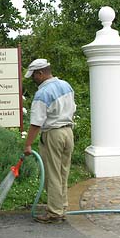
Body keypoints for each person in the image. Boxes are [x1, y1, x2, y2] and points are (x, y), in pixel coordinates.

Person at [23, 58, 76, 224]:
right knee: (63, 172)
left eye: (34, 76)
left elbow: (35, 123)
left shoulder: (42, 93)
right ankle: (62, 207)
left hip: (53, 134)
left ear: (40, 73)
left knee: (52, 174)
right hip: (68, 132)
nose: (33, 79)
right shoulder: (65, 85)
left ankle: (54, 212)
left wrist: (28, 144)